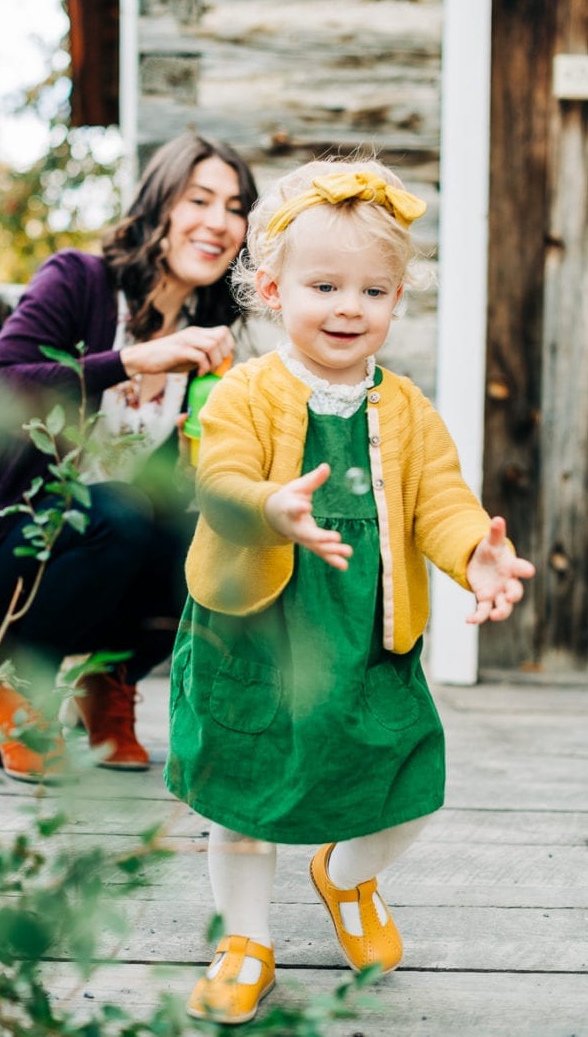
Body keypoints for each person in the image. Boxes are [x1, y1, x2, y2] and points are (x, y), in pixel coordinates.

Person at [163, 156, 535, 1024]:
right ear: (270, 288)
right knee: (244, 791)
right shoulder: (247, 392)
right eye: (324, 285)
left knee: (407, 774)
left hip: (363, 631)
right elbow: (216, 479)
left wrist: (470, 554)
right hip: (255, 627)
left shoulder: (403, 408)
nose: (346, 308)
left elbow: (439, 500)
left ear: (395, 301)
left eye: (372, 291)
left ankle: (346, 873)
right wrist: (268, 505)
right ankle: (247, 938)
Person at [0, 133, 258, 782]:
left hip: (98, 558)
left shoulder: (204, 338)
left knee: (217, 536)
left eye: (236, 206)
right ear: (157, 205)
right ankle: (24, 695)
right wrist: (130, 360)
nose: (219, 222)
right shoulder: (78, 281)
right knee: (120, 512)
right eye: (200, 199)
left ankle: (109, 684)